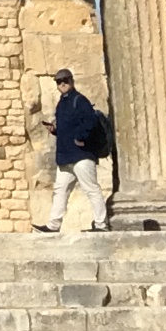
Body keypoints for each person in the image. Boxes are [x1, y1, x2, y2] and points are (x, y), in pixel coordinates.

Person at [36, 67, 111, 233]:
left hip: (81, 155)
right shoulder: (62, 103)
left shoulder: (80, 100)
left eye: (65, 81)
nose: (62, 84)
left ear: (71, 81)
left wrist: (80, 138)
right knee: (60, 191)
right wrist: (55, 130)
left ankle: (101, 225)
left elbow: (90, 122)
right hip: (66, 157)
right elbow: (66, 127)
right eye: (59, 82)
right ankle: (53, 225)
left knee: (91, 189)